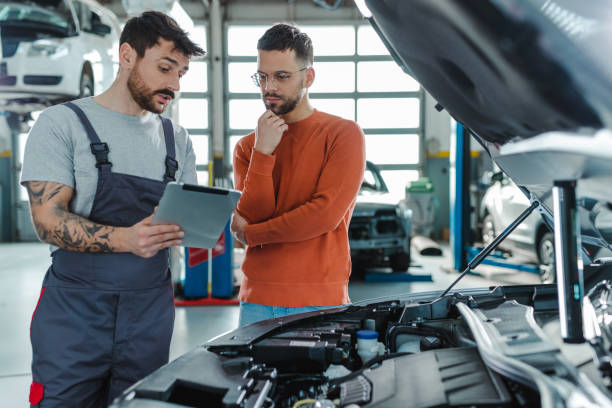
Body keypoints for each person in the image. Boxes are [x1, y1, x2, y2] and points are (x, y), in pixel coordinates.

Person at [21, 11, 205, 407]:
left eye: (182, 74)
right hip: (75, 315)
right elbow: (47, 221)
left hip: (150, 314)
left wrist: (203, 231)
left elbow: (186, 220)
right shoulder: (61, 124)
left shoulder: (177, 139)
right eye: (164, 68)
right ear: (126, 56)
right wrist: (127, 239)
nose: (173, 84)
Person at [231, 23, 365, 326]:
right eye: (262, 77)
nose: (269, 88)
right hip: (256, 301)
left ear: (309, 77)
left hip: (319, 301)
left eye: (281, 76)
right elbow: (255, 212)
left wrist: (250, 235)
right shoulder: (248, 146)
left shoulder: (343, 134)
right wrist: (263, 153)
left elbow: (322, 216)